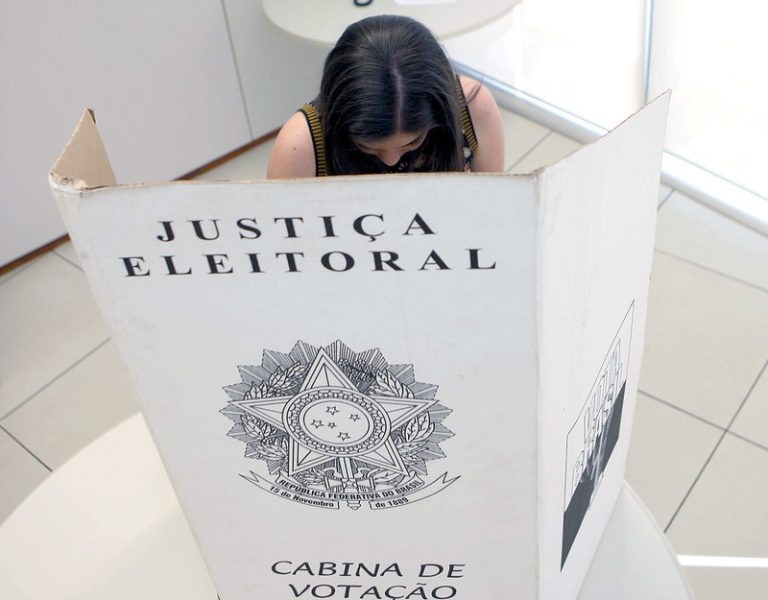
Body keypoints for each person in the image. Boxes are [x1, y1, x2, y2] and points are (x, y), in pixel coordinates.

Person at [267, 15, 505, 178]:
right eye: (368, 147)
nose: (391, 161)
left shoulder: (472, 106)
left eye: (412, 142)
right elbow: (290, 245)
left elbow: (493, 207)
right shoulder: (301, 145)